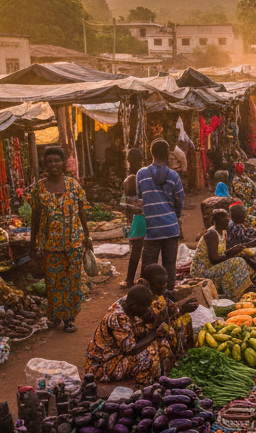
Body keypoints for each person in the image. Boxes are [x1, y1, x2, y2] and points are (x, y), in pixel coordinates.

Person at [29, 146, 91, 334]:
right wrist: (32, 244)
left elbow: (81, 212)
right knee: (53, 283)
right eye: (50, 161)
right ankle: (55, 316)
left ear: (63, 163)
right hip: (49, 245)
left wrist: (87, 236)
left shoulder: (74, 185)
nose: (54, 164)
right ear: (45, 165)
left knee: (73, 281)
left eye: (57, 160)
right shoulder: (38, 188)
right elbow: (35, 217)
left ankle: (70, 319)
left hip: (73, 243)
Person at [85, 285, 176, 385]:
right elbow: (131, 350)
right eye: (145, 308)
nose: (147, 311)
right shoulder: (117, 317)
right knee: (145, 358)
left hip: (118, 355)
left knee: (162, 344)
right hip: (102, 365)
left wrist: (151, 323)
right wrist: (154, 333)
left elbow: (137, 334)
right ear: (135, 306)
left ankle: (163, 380)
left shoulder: (129, 307)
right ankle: (144, 389)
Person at [137, 139, 185, 295]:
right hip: (171, 228)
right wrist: (175, 217)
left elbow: (140, 198)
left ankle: (145, 295)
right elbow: (180, 200)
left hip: (151, 229)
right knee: (169, 264)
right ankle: (169, 295)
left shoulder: (141, 174)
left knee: (148, 265)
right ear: (167, 153)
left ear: (151, 153)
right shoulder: (174, 176)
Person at [136, 263, 196, 363]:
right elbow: (159, 326)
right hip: (148, 337)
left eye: (165, 284)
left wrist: (186, 300)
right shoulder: (144, 301)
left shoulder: (156, 292)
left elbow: (169, 303)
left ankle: (186, 353)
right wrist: (181, 311)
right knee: (175, 327)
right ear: (148, 283)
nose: (163, 289)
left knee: (186, 318)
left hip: (160, 326)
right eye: (160, 286)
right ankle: (174, 360)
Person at [189, 208, 254, 299]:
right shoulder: (212, 234)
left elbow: (222, 253)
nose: (227, 223)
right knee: (238, 262)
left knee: (242, 259)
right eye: (224, 221)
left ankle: (232, 289)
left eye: (228, 220)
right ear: (216, 222)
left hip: (213, 267)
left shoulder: (223, 232)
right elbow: (214, 259)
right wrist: (231, 252)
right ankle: (233, 293)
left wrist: (235, 251)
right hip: (203, 271)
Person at [120, 148, 146, 289]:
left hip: (138, 217)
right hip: (147, 215)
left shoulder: (131, 179)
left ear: (129, 160)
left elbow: (129, 205)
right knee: (145, 249)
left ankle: (130, 280)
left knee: (136, 249)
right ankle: (141, 278)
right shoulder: (146, 175)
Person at [226, 201, 256, 279]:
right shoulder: (237, 227)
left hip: (232, 248)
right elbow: (244, 241)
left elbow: (243, 235)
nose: (245, 217)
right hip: (234, 250)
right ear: (239, 217)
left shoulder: (231, 223)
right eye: (244, 216)